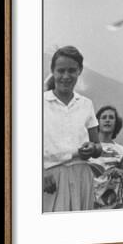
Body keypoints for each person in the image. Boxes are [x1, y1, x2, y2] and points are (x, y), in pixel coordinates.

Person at [43, 46, 102, 212]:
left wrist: (92, 148)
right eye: (60, 71)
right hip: (50, 178)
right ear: (52, 71)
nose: (66, 76)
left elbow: (98, 147)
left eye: (72, 71)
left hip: (82, 176)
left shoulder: (86, 104)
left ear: (79, 71)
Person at [91, 106, 123, 208]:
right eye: (103, 117)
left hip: (112, 205)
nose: (107, 120)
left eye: (111, 117)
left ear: (116, 123)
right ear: (97, 122)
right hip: (89, 202)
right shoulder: (89, 147)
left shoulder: (121, 150)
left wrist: (120, 173)